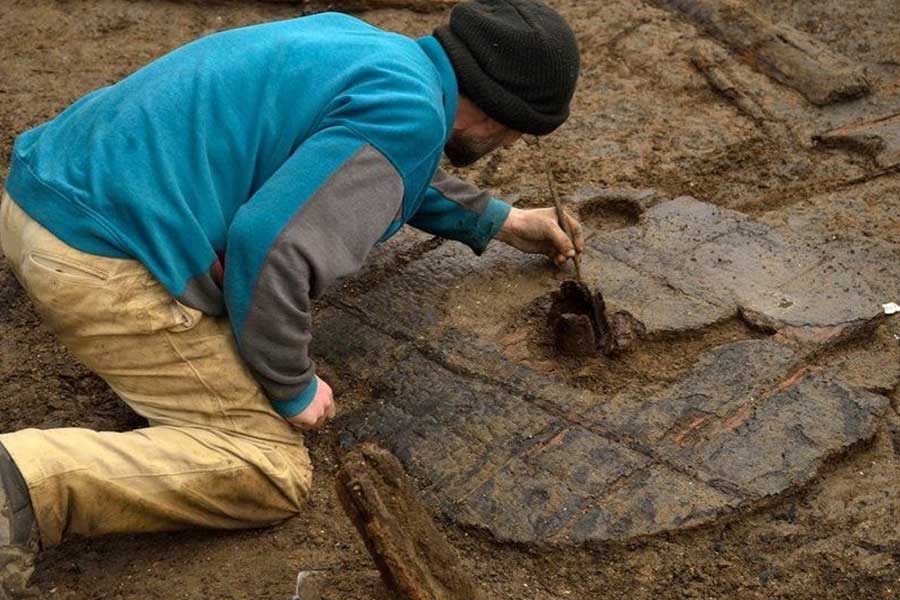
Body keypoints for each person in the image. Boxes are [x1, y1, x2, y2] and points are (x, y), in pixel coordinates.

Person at [0, 0, 582, 595]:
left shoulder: (369, 49)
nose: (509, 144)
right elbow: (269, 248)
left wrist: (498, 219)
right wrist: (291, 385)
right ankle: (24, 481)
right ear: (499, 114)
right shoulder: (408, 115)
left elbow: (358, 164)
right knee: (267, 470)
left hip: (45, 192)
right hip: (97, 254)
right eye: (519, 132)